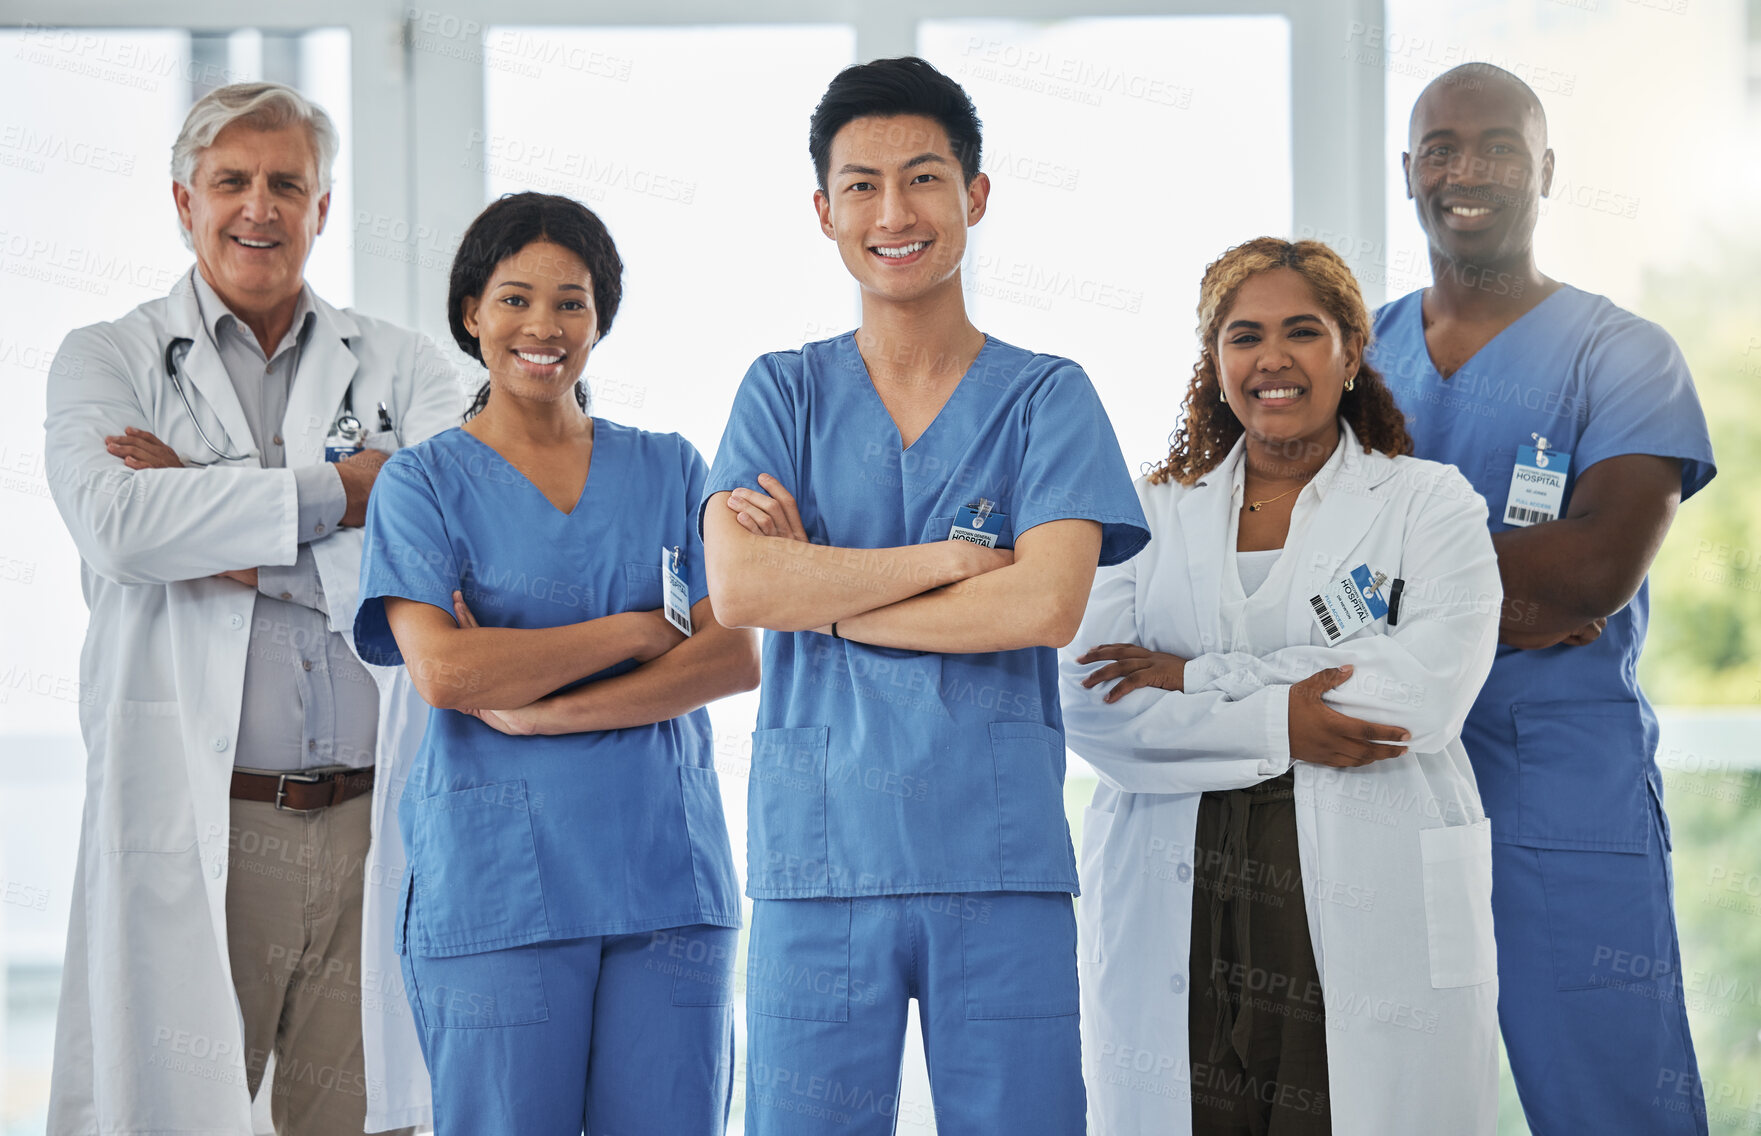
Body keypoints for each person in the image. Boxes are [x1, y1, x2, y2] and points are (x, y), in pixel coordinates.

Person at [699, 56, 1149, 1136]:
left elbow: (1043, 607)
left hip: (996, 864)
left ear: (975, 195)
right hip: (819, 866)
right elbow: (744, 581)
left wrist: (832, 593)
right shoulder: (784, 390)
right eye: (860, 184)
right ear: (823, 211)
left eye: (924, 178)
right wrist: (947, 560)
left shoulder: (1048, 396)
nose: (892, 212)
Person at [43, 82, 461, 1135]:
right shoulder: (107, 358)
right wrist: (348, 489)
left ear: (324, 209)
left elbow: (458, 538)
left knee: (359, 1118)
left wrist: (221, 520)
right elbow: (123, 525)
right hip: (204, 813)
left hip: (372, 818)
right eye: (231, 182)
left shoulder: (405, 363)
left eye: (288, 183)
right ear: (184, 202)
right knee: (175, 1108)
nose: (258, 208)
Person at [1060, 238, 1504, 1135]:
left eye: (1302, 332)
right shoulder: (1145, 513)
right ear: (1214, 359)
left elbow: (1422, 692)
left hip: (1361, 883)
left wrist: (1192, 677)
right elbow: (1089, 701)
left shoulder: (1428, 502)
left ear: (1348, 351)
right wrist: (1282, 720)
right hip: (1179, 888)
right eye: (1242, 335)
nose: (1272, 358)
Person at [350, 190, 756, 1135]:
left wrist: (546, 704)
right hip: (499, 891)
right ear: (470, 314)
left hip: (666, 881)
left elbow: (734, 655)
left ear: (600, 319)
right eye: (515, 298)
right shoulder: (423, 482)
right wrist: (639, 630)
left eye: (572, 302)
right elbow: (447, 675)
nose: (544, 326)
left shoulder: (668, 467)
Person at [1368, 63, 1716, 1135]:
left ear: (1547, 170)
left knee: (1615, 1101)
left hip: (1564, 795)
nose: (1467, 171)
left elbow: (1595, 572)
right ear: (1409, 172)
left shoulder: (1624, 356)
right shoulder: (1351, 356)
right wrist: (1506, 583)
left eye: (1501, 147)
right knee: (1387, 1102)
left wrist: (1381, 582)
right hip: (1383, 780)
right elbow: (1287, 565)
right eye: (1441, 147)